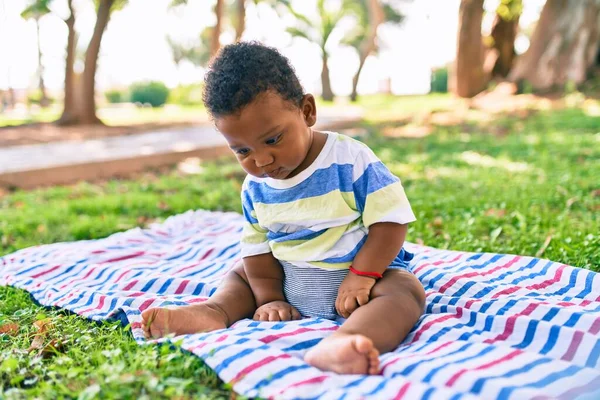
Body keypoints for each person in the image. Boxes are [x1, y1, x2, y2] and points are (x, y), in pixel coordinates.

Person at [141, 42, 425, 375]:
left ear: (307, 111)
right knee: (241, 274)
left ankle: (346, 339)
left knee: (405, 291)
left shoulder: (350, 159)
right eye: (242, 150)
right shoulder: (256, 187)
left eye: (273, 140)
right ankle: (215, 312)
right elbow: (258, 248)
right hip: (287, 280)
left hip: (359, 280)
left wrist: (362, 276)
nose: (261, 160)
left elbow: (390, 222)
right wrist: (270, 298)